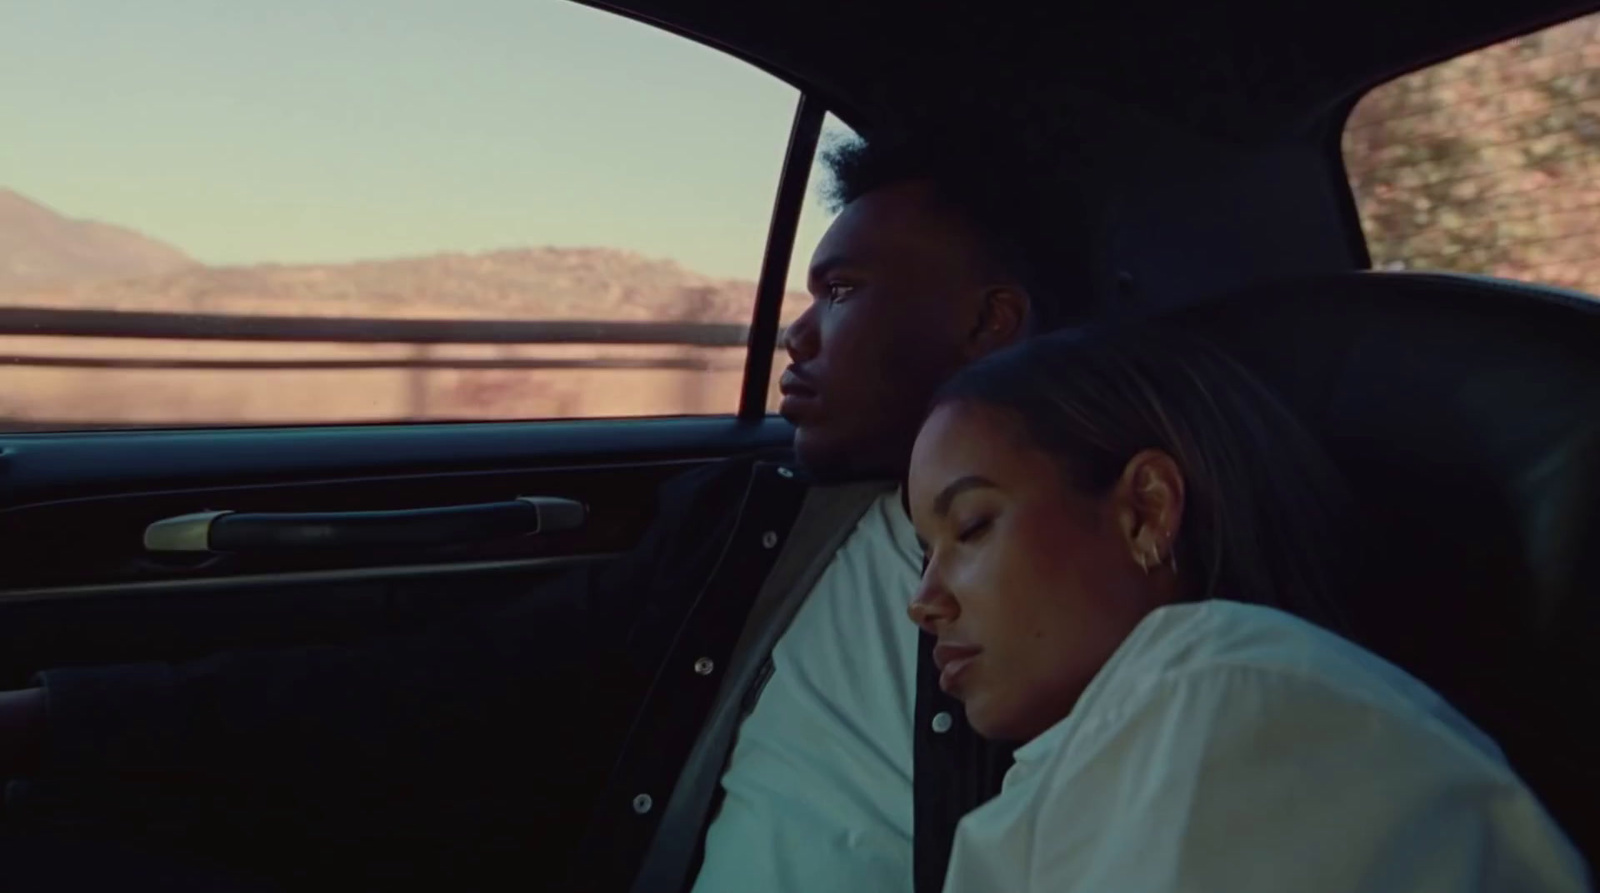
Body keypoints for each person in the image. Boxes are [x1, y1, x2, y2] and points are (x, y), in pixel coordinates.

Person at [0, 133, 1094, 893]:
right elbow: (454, 681)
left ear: (987, 323)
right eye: (806, 294)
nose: (800, 338)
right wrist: (62, 716)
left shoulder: (1108, 583)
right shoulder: (757, 524)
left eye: (843, 292)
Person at [906, 325, 1591, 893]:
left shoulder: (1219, 701)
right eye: (924, 552)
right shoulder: (1096, 758)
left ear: (1146, 511)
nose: (924, 601)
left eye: (970, 526)